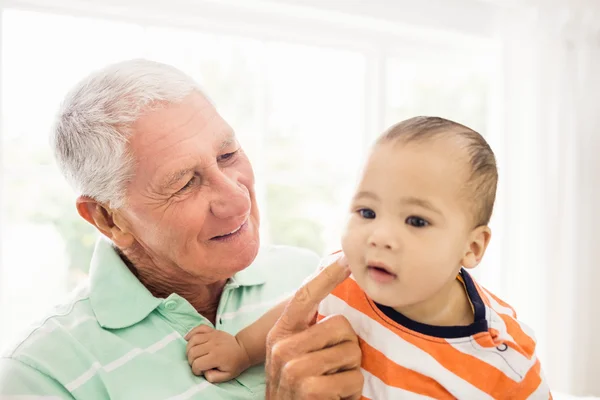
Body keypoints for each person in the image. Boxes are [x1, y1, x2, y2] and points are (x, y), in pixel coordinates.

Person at [0, 59, 363, 399]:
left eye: (228, 155)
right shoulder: (44, 375)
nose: (238, 201)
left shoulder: (306, 275)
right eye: (185, 183)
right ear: (108, 219)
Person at [187, 116, 553, 399]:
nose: (379, 236)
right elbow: (293, 315)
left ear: (471, 248)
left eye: (416, 221)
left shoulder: (504, 368)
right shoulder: (342, 275)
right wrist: (240, 349)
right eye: (367, 212)